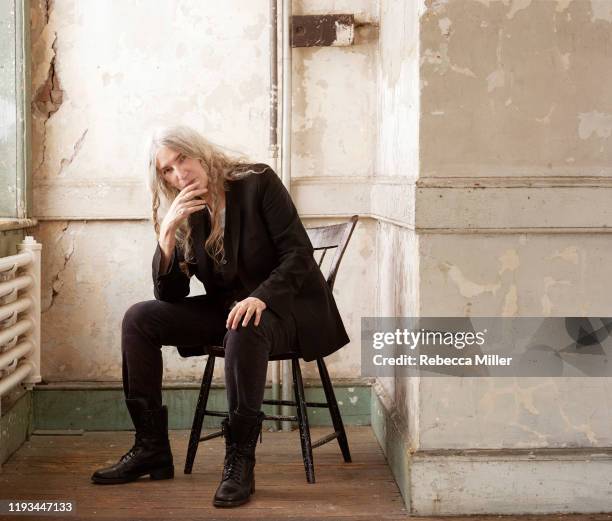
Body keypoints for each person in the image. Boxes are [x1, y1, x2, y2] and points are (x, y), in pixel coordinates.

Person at [90, 125, 350, 507]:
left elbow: (298, 253)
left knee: (245, 325)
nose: (180, 173)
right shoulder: (188, 209)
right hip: (229, 310)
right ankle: (151, 449)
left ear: (200, 152)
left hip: (288, 308)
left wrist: (261, 297)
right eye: (167, 170)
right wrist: (166, 235)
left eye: (183, 158)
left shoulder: (257, 181)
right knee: (139, 319)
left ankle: (240, 460)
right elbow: (171, 295)